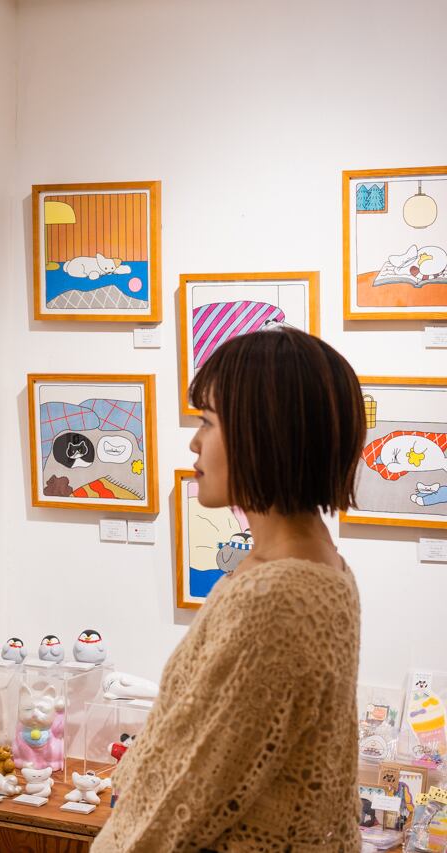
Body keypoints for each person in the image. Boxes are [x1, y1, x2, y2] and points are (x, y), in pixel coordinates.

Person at [92, 328, 364, 852]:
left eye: (207, 422)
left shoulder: (280, 594)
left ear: (263, 433)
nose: (194, 442)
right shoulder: (316, 564)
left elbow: (190, 792)